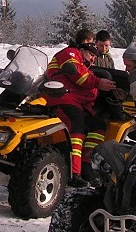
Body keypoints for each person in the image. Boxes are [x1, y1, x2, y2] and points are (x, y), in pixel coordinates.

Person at [43, 29, 116, 187]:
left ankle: (86, 164)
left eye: (95, 56)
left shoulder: (84, 64)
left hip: (76, 102)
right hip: (61, 98)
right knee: (77, 126)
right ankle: (73, 173)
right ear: (83, 47)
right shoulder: (70, 53)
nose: (93, 58)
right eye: (91, 54)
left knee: (98, 126)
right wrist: (98, 83)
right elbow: (80, 77)